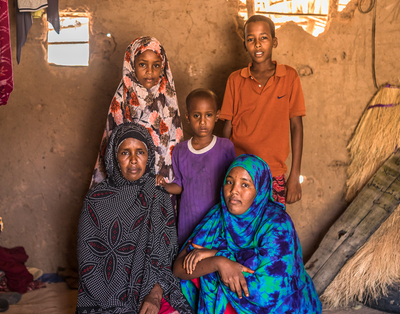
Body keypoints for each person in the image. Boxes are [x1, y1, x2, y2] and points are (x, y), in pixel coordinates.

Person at [173, 154, 326, 314]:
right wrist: (218, 262)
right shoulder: (218, 216)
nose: (234, 190)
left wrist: (218, 254)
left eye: (245, 184)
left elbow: (269, 290)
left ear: (261, 190)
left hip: (283, 309)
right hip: (236, 298)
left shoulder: (277, 222)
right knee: (207, 270)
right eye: (229, 181)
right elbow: (179, 268)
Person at [75, 122, 198, 314]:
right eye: (125, 152)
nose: (133, 160)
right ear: (113, 158)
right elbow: (89, 265)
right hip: (104, 302)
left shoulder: (158, 195)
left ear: (149, 157)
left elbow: (165, 254)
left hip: (147, 290)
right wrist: (118, 311)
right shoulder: (97, 200)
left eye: (140, 152)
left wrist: (155, 295)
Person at [220, 15, 305, 205]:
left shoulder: (289, 77)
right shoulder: (235, 79)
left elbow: (296, 126)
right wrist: (224, 169)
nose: (257, 44)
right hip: (239, 172)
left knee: (272, 231)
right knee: (240, 231)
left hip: (273, 173)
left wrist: (295, 175)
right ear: (245, 45)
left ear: (274, 42)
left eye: (263, 38)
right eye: (251, 39)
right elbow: (227, 128)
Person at [90, 36, 183, 188]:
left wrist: (165, 179)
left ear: (163, 66)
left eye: (156, 65)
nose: (150, 71)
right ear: (131, 64)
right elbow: (112, 144)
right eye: (142, 64)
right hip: (128, 178)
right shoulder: (122, 98)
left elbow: (175, 139)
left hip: (162, 180)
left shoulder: (168, 97)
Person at [156, 88, 236, 247]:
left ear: (217, 116)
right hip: (188, 222)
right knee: (188, 264)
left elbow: (232, 184)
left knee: (212, 263)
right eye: (196, 115)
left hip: (216, 221)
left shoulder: (225, 147)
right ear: (187, 117)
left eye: (209, 115)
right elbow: (180, 186)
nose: (203, 121)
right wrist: (163, 185)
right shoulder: (180, 151)